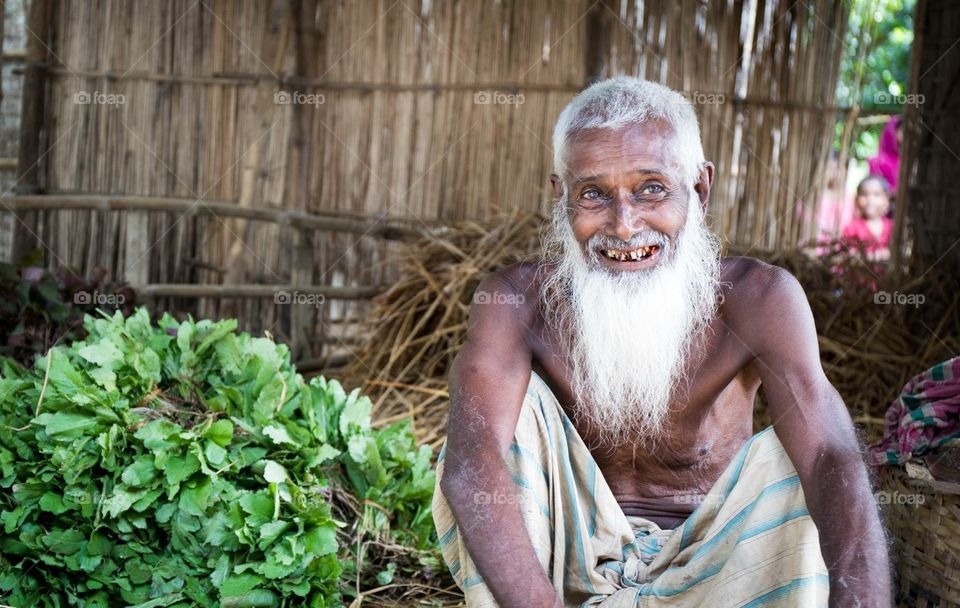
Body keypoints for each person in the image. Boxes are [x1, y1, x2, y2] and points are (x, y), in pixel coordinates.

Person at [432, 77, 890, 607]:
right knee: (486, 426)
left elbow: (833, 456)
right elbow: (471, 462)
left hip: (717, 570)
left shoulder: (759, 297)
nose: (625, 226)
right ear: (561, 198)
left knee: (812, 458)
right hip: (559, 570)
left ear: (699, 188)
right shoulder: (514, 300)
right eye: (594, 194)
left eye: (652, 188)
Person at [842, 175, 893, 261]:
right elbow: (849, 255)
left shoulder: (891, 227)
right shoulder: (852, 228)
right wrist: (877, 256)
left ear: (886, 198)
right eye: (864, 194)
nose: (870, 199)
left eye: (876, 194)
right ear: (857, 199)